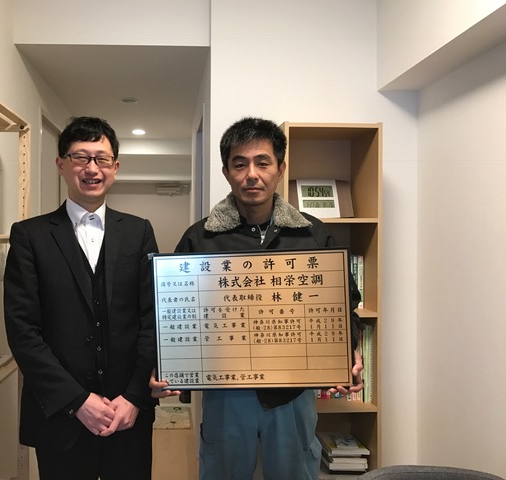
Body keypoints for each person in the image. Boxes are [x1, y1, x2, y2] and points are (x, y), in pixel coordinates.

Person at [150, 117, 364, 480]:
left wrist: (349, 353)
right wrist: (166, 364)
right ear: (226, 172)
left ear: (280, 168)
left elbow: (346, 306)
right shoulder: (200, 238)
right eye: (240, 164)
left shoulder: (313, 235)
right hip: (226, 393)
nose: (252, 174)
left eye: (262, 163)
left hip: (293, 392)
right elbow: (172, 313)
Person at [4, 116, 159, 480]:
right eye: (80, 157)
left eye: (101, 159)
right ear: (61, 164)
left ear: (115, 168)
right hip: (60, 416)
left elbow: (152, 317)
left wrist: (135, 396)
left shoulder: (138, 231)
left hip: (127, 414)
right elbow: (23, 330)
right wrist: (77, 401)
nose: (92, 168)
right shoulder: (29, 236)